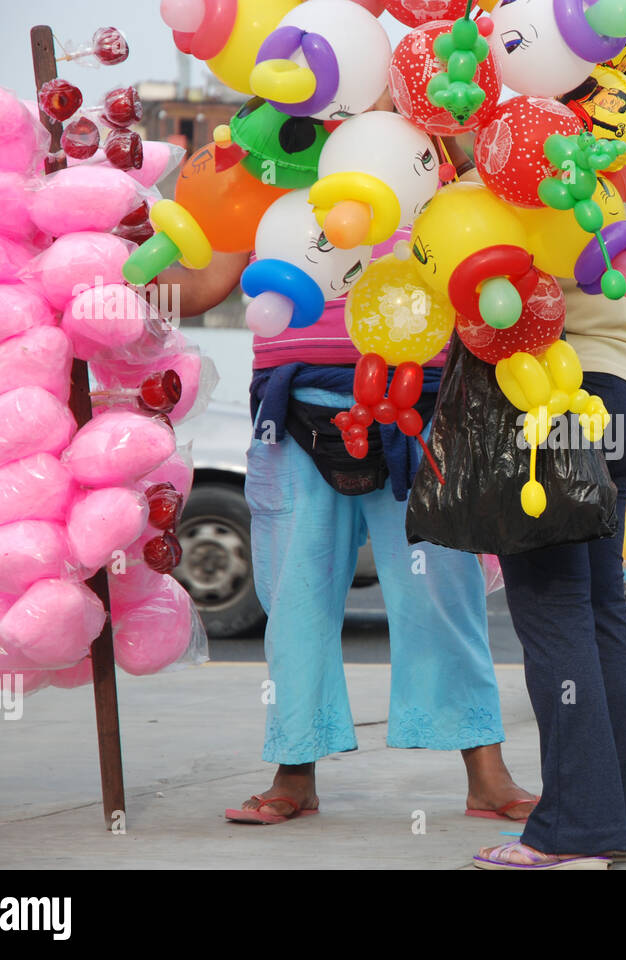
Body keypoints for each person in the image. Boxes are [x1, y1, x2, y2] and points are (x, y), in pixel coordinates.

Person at [159, 103, 535, 826]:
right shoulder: (274, 169)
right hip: (293, 408)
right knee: (294, 600)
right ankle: (293, 773)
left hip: (415, 412)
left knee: (443, 595)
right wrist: (113, 276)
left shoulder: (429, 162)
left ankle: (486, 774)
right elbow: (202, 288)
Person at [474, 53, 626, 869]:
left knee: (554, 611)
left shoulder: (555, 151)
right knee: (596, 613)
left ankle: (572, 834)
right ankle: (615, 822)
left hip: (562, 392)